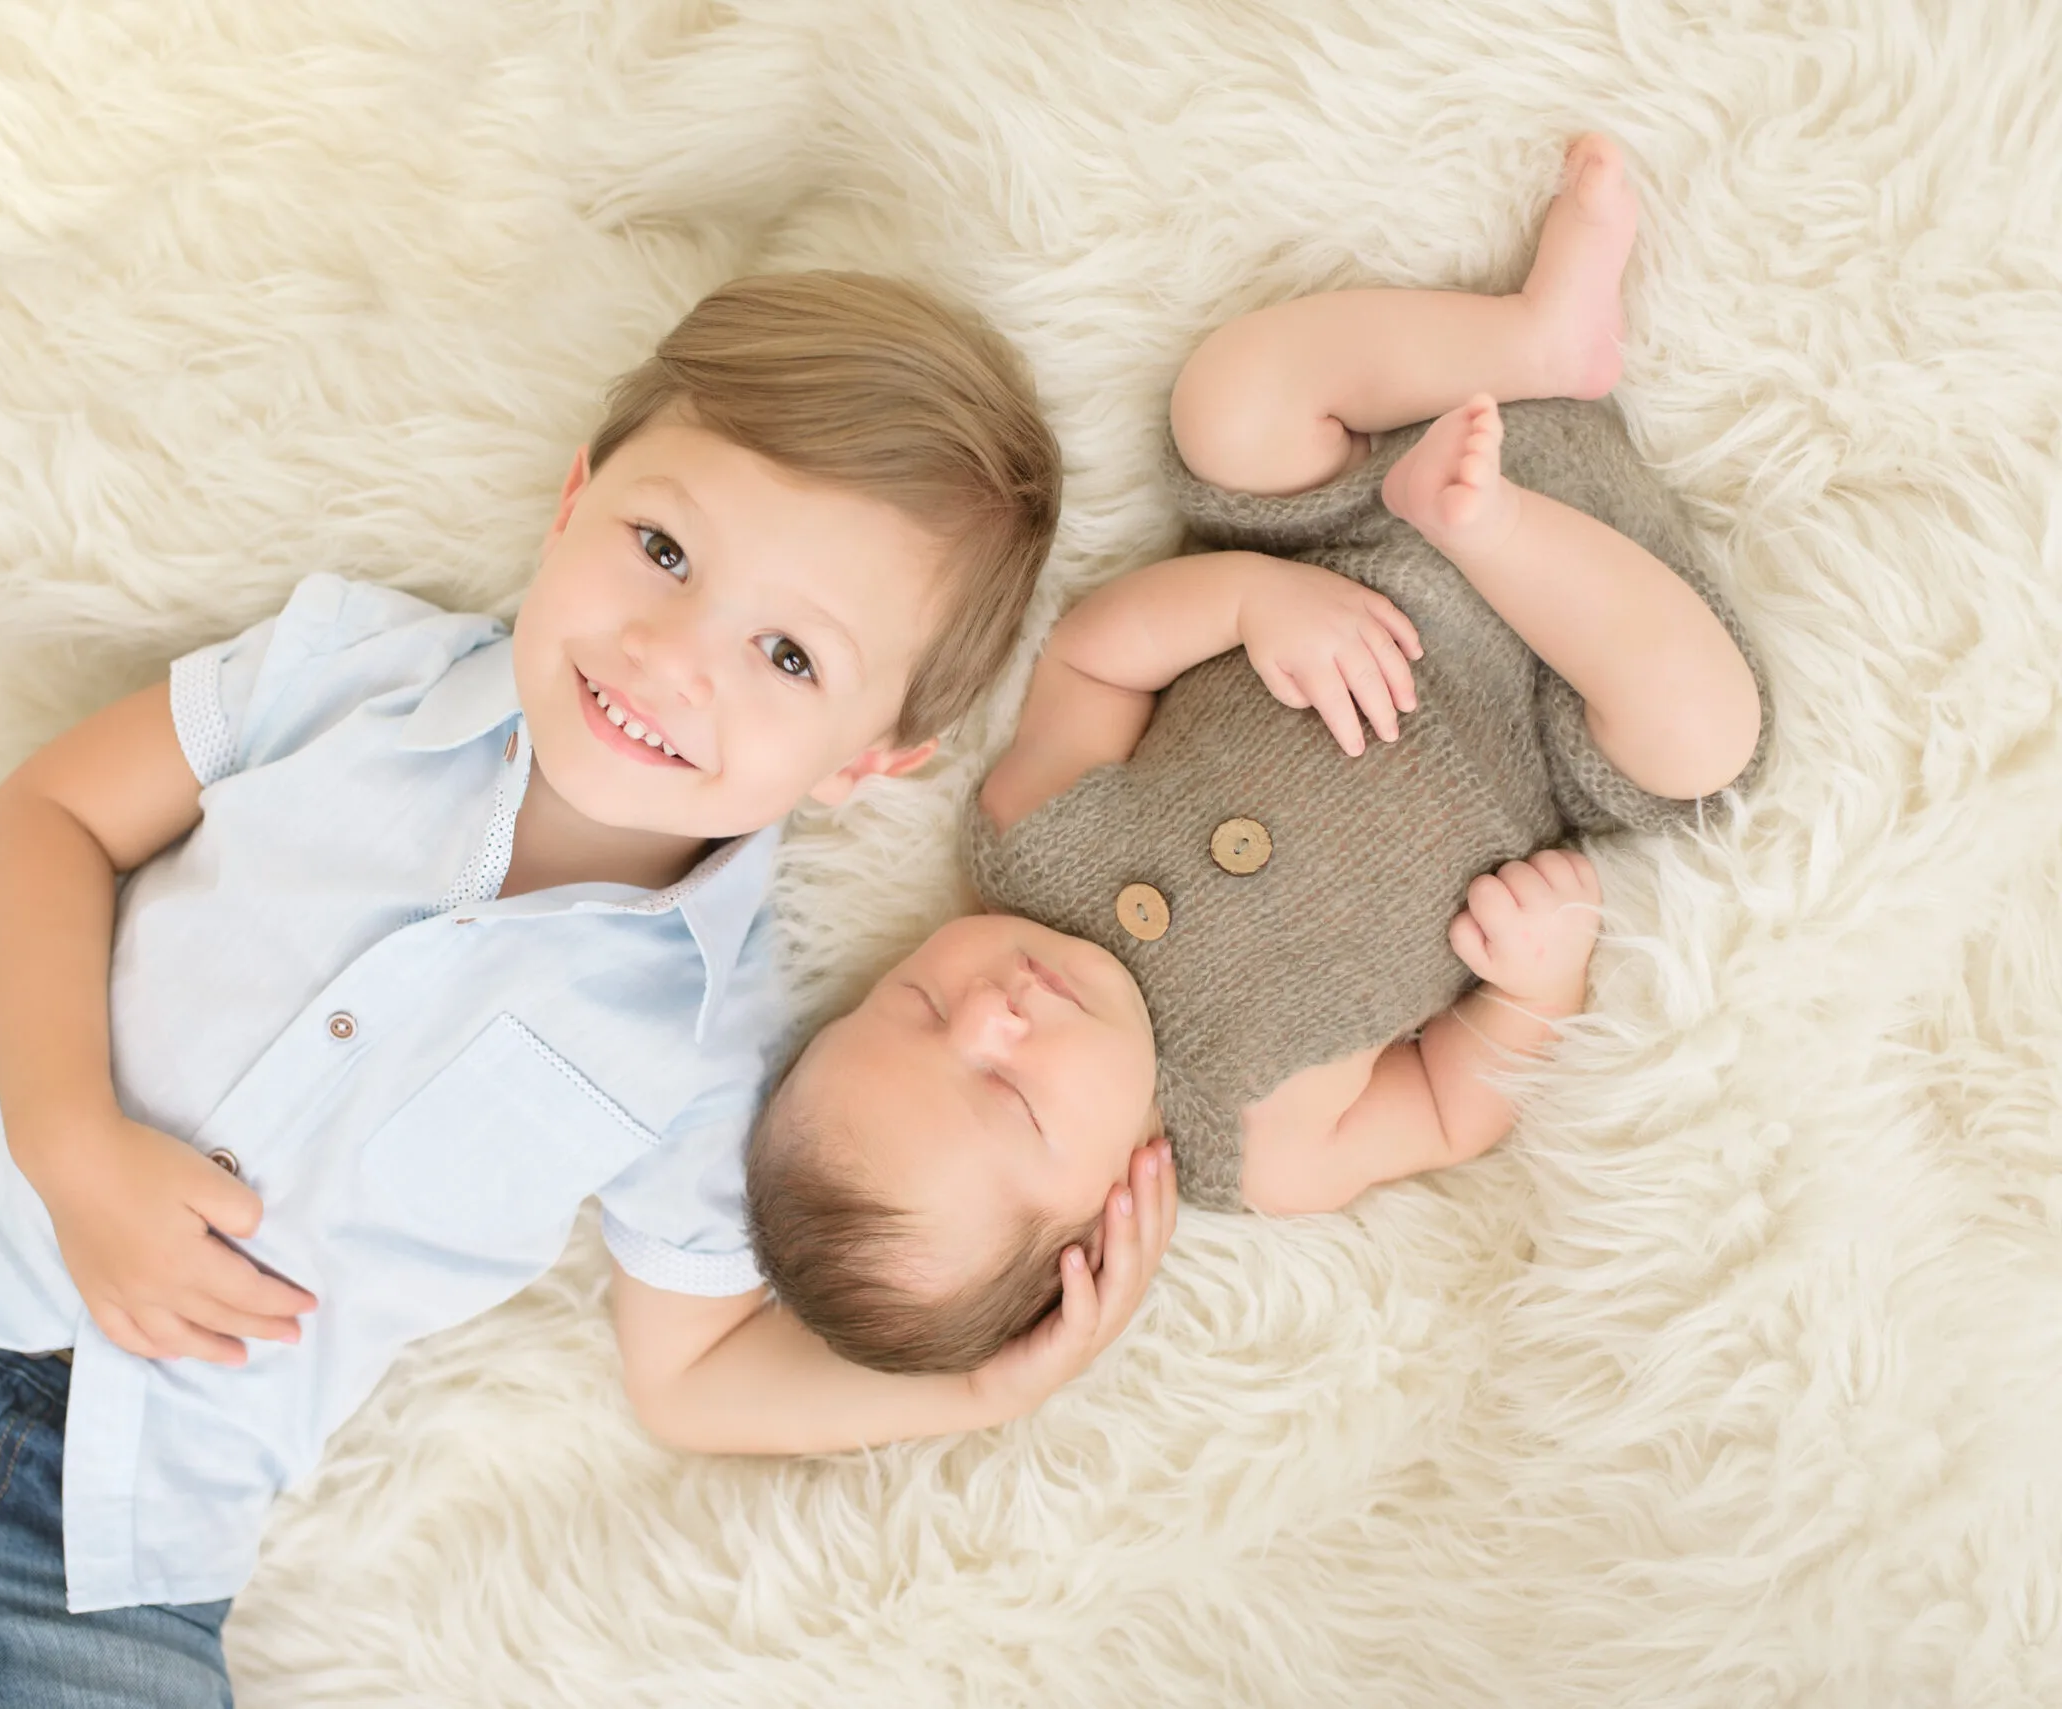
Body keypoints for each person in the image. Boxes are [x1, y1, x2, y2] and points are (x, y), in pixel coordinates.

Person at [0, 272, 1137, 1709]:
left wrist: (980, 1387)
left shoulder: (702, 1038)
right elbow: (50, 818)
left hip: (118, 1535)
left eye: (789, 656)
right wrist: (75, 1146)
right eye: (660, 547)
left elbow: (692, 1371)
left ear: (871, 759)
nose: (671, 652)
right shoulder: (350, 675)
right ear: (572, 496)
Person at [747, 135, 1771, 1377]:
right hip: (1557, 696)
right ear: (1106, 1211)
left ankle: (1541, 338)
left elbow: (1090, 656)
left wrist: (1243, 601)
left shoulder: (1028, 838)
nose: (993, 1013)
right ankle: (1500, 528)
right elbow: (1453, 1103)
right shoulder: (1268, 1144)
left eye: (914, 1006)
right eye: (1009, 1094)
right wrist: (1533, 983)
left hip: (1354, 538)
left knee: (1228, 405)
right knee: (1705, 743)